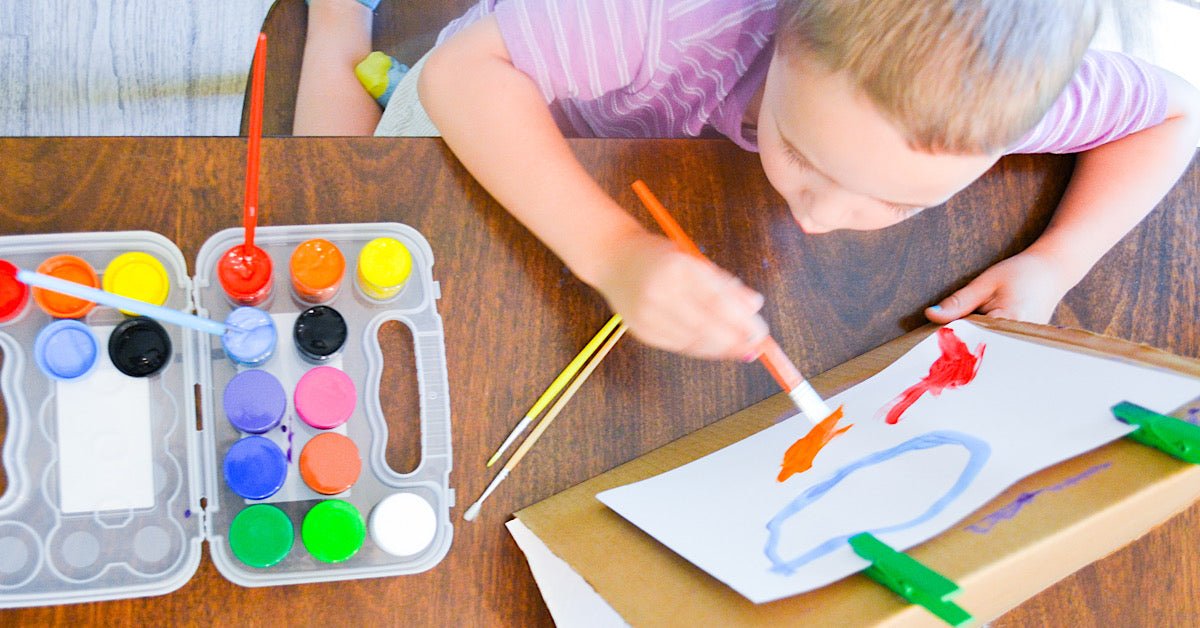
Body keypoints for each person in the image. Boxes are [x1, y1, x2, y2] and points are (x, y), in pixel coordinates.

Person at [295, 0, 1200, 362]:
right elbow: (461, 78)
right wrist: (610, 250)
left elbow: (1176, 116)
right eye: (804, 155)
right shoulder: (669, 17)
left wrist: (1056, 263)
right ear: (785, 31)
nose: (819, 218)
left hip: (646, 164)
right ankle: (341, 16)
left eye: (900, 200)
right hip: (523, 100)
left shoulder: (1006, 93)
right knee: (338, 200)